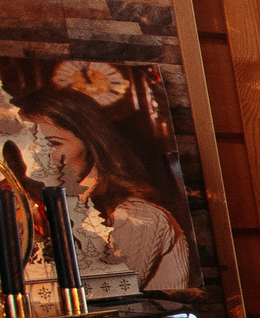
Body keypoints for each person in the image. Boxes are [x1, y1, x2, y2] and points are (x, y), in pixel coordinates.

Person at [18, 87, 192, 292]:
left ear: (92, 144)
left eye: (53, 143)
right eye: (25, 143)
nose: (34, 155)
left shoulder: (136, 217)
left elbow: (94, 295)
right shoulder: (36, 209)